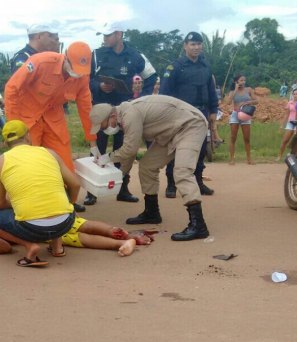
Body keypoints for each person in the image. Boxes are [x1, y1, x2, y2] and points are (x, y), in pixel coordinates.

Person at [89, 96, 210, 241]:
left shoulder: (129, 115)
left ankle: (199, 226)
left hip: (190, 125)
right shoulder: (124, 118)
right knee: (147, 166)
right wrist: (118, 176)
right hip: (169, 132)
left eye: (103, 126)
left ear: (112, 116)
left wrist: (107, 157)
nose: (104, 130)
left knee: (182, 171)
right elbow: (129, 154)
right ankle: (152, 212)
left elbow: (130, 148)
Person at [5, 41, 97, 213]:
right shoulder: (40, 62)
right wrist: (13, 126)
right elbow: (11, 88)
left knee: (66, 164)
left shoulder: (83, 77)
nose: (77, 74)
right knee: (27, 163)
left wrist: (93, 141)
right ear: (66, 57)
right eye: (75, 68)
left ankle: (67, 205)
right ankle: (23, 204)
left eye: (81, 71)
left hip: (54, 119)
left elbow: (85, 107)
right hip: (28, 118)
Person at [0, 120, 79, 267]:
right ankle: (57, 247)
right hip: (65, 223)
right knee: (61, 193)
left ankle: (29, 245)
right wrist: (71, 204)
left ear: (5, 142)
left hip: (31, 229)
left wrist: (16, 203)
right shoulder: (50, 153)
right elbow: (75, 184)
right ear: (28, 136)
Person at [85, 22, 158, 206]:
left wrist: (141, 98)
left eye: (108, 35)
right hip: (102, 109)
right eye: (103, 35)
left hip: (126, 110)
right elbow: (86, 79)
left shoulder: (135, 55)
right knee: (98, 147)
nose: (104, 38)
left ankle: (122, 188)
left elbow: (151, 77)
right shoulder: (96, 55)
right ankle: (92, 191)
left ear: (119, 34)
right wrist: (99, 86)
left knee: (124, 149)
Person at [0, 200, 152, 257]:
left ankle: (122, 233)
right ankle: (123, 241)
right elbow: (4, 247)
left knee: (83, 223)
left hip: (34, 213)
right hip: (34, 230)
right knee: (79, 237)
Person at [159, 31, 218, 199]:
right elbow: (165, 93)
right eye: (192, 44)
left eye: (199, 44)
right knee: (176, 149)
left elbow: (211, 90)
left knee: (200, 150)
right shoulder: (175, 66)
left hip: (202, 113)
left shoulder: (205, 66)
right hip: (181, 114)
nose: (196, 47)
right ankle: (171, 184)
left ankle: (198, 182)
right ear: (185, 46)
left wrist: (213, 110)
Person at [224, 74, 258, 165]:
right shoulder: (232, 92)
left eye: (244, 80)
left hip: (246, 115)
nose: (243, 82)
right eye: (241, 80)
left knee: (247, 138)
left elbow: (256, 101)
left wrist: (247, 102)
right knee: (233, 137)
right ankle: (231, 159)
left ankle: (249, 159)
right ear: (236, 82)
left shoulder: (249, 90)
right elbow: (228, 102)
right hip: (235, 114)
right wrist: (235, 90)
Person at [277, 88, 297, 161]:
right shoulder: (290, 103)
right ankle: (279, 156)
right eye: (294, 94)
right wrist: (282, 125)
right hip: (290, 123)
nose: (295, 95)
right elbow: (286, 115)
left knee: (296, 142)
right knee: (285, 140)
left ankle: (295, 157)